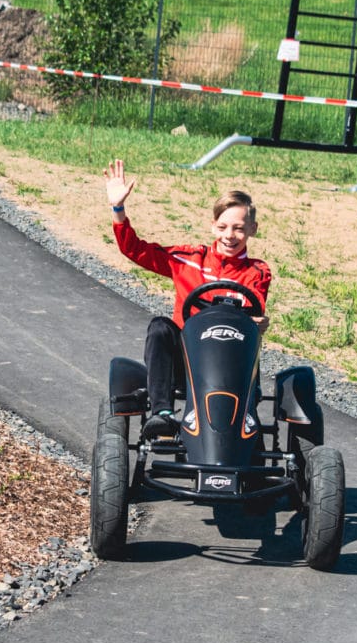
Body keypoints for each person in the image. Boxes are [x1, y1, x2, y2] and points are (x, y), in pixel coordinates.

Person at [103, 158, 272, 438]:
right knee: (160, 327)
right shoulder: (188, 259)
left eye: (239, 228)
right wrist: (118, 208)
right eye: (223, 227)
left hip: (231, 360)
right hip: (188, 359)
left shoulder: (256, 271)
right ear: (212, 226)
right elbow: (135, 249)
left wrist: (257, 320)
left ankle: (244, 438)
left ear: (252, 229)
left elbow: (255, 305)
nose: (230, 235)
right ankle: (163, 413)